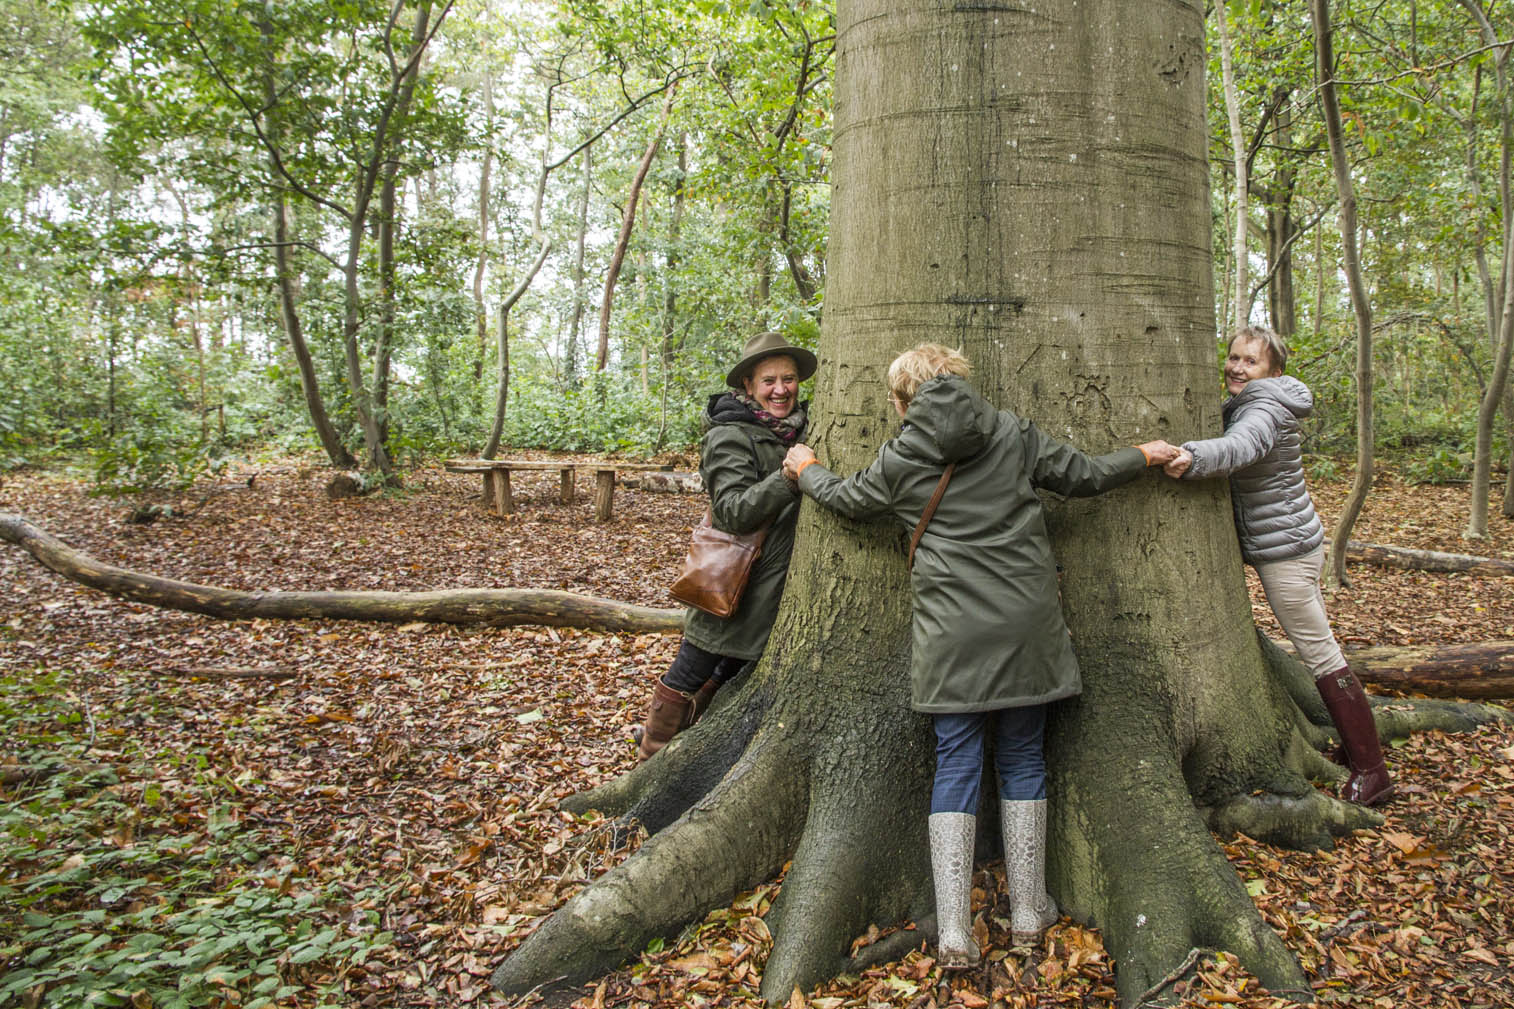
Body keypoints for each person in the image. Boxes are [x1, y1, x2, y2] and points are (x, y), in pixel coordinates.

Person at [781, 344, 1178, 968]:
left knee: (956, 763)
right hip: (1027, 628)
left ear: (901, 401)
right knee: (1023, 755)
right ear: (962, 386)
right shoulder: (1011, 431)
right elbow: (1083, 476)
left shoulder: (902, 454)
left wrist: (805, 468)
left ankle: (956, 933)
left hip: (951, 636)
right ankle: (1026, 912)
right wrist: (1145, 454)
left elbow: (852, 500)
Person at [1164, 325, 1392, 806]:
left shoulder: (1264, 407)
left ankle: (1372, 771)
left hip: (1287, 555)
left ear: (1274, 372)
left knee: (1321, 655)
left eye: (1250, 361)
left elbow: (1242, 447)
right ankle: (1361, 757)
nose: (1237, 367)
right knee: (1320, 651)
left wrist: (1192, 456)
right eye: (1233, 358)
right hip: (1291, 542)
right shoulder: (1264, 400)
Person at [634, 331, 816, 760]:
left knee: (728, 674)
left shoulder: (799, 428)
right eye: (768, 380)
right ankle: (650, 754)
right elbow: (732, 511)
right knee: (693, 668)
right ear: (748, 387)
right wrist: (788, 477)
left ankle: (685, 750)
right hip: (732, 584)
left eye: (788, 379)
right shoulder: (730, 435)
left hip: (771, 586)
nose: (780, 390)